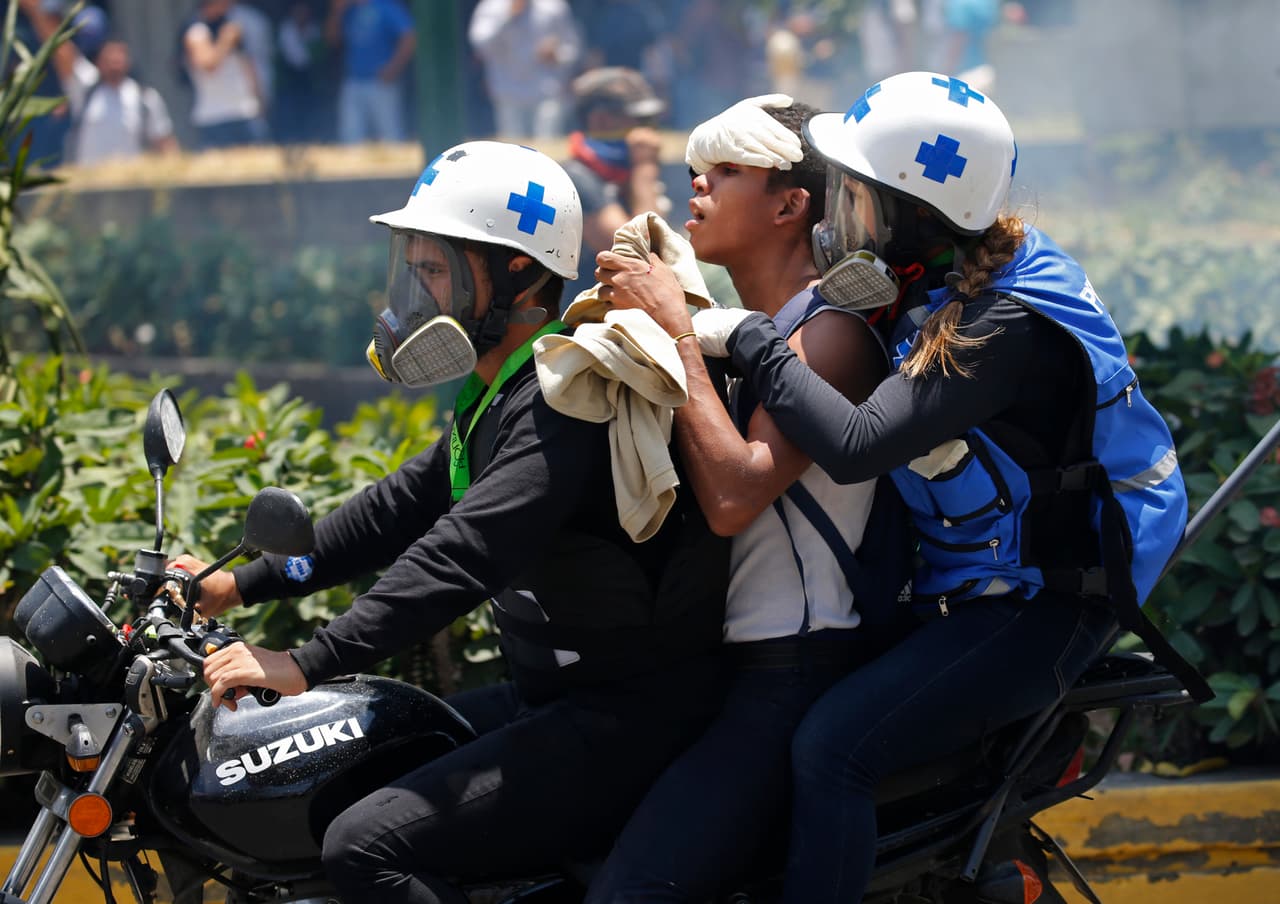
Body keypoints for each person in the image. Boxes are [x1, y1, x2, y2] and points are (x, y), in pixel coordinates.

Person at [605, 71, 1208, 903]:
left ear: (912, 212)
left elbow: (856, 445)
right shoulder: (936, 279)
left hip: (1041, 606)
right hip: (965, 588)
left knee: (835, 748)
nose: (838, 214)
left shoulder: (1002, 322)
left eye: (855, 197)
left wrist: (741, 335)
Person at [177, 140, 729, 903]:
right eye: (412, 269)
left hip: (628, 716)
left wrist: (306, 661)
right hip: (550, 698)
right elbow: (393, 512)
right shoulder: (500, 393)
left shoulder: (565, 401)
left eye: (434, 270)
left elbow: (464, 553)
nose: (414, 294)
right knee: (335, 768)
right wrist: (237, 585)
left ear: (514, 274)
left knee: (365, 845)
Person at [583, 95, 894, 901]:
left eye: (725, 171)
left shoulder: (830, 331)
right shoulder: (751, 324)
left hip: (796, 669)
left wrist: (675, 333)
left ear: (791, 206)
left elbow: (734, 495)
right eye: (696, 170)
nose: (698, 186)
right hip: (727, 666)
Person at [18, 0, 178, 166]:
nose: (114, 62)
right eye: (109, 57)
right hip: (89, 179)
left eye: (119, 56)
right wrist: (36, 11)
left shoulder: (146, 98)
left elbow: (165, 143)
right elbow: (60, 49)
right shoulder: (84, 87)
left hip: (130, 179)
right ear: (99, 60)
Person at [560, 66, 669, 308]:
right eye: (638, 120)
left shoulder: (622, 174)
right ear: (600, 120)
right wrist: (645, 168)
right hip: (584, 322)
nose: (647, 129)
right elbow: (638, 256)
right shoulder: (576, 177)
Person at [468, 0, 582, 140]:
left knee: (547, 147)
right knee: (512, 149)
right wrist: (508, 16)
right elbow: (481, 45)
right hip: (508, 95)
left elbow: (573, 48)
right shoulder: (491, 7)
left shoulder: (554, 6)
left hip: (548, 94)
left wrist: (557, 55)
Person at [326, 0, 416, 144]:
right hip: (353, 81)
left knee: (391, 138)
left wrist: (393, 67)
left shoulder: (386, 6)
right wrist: (337, 12)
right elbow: (332, 40)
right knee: (350, 138)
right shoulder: (349, 10)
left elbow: (409, 37)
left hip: (381, 83)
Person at [182, 0, 264, 149]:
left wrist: (259, 99)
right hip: (215, 117)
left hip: (245, 111)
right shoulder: (197, 31)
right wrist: (226, 40)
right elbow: (208, 66)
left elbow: (247, 66)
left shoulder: (230, 24)